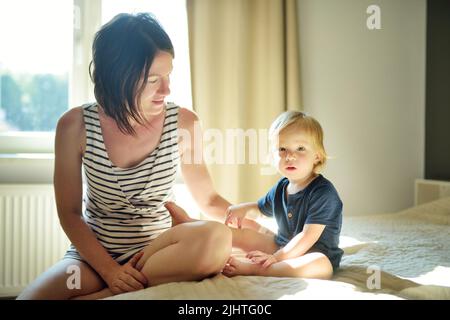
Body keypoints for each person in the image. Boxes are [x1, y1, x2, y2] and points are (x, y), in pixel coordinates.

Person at [17, 13, 235, 300]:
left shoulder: (184, 123)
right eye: (153, 79)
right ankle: (111, 290)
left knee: (217, 238)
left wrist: (261, 226)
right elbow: (69, 214)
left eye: (168, 76)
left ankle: (104, 296)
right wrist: (110, 272)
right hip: (91, 262)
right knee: (31, 299)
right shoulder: (74, 126)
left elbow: (208, 200)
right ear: (118, 77)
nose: (167, 89)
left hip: (160, 256)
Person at [222, 111, 344, 279]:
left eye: (300, 148)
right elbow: (261, 209)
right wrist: (243, 209)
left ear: (317, 156)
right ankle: (209, 237)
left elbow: (307, 237)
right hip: (283, 245)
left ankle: (256, 269)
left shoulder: (323, 193)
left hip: (311, 254)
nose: (290, 156)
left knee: (320, 264)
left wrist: (276, 258)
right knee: (247, 235)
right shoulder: (281, 187)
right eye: (282, 149)